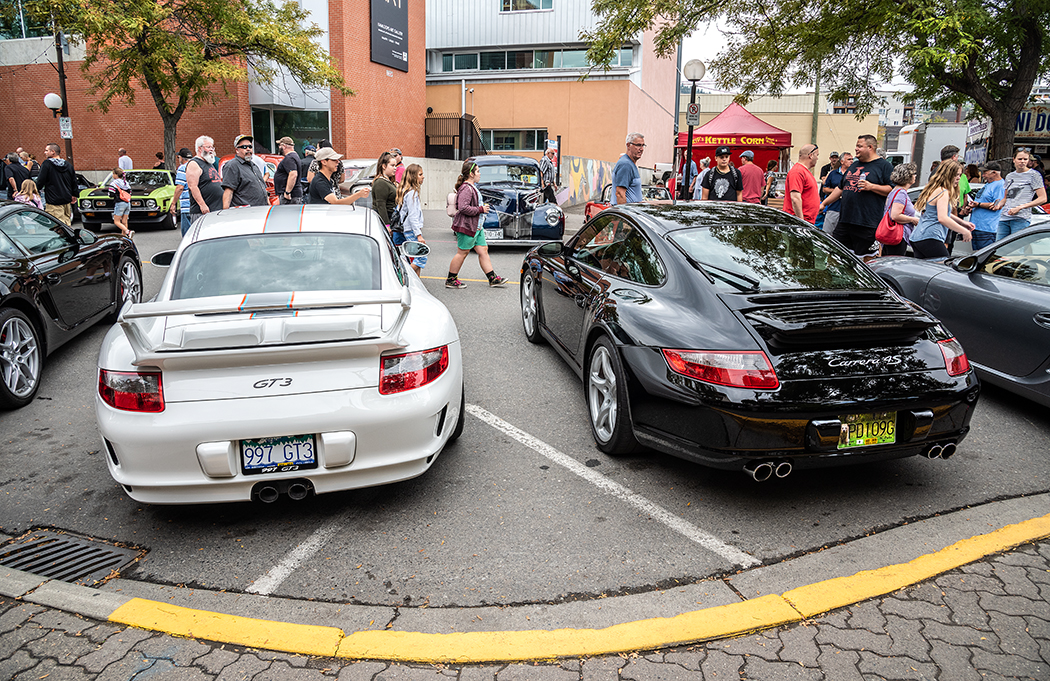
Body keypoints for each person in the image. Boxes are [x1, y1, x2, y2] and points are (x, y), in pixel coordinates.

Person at [820, 135, 895, 255]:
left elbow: (892, 189)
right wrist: (824, 204)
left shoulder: (884, 166)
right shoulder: (854, 165)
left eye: (859, 146)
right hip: (845, 221)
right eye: (856, 146)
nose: (856, 149)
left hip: (867, 224)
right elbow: (840, 188)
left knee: (867, 259)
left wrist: (871, 187)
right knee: (837, 256)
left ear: (870, 147)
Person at [446, 159, 507, 290]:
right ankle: (451, 279)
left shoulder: (472, 187)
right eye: (478, 171)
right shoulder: (466, 188)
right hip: (467, 226)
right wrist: (481, 209)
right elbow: (463, 207)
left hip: (477, 227)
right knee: (462, 252)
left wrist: (481, 208)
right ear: (471, 174)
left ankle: (492, 278)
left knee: (483, 251)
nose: (480, 174)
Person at [909, 161, 974, 259]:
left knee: (925, 271)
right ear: (947, 175)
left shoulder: (935, 189)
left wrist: (962, 223)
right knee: (943, 269)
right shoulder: (943, 192)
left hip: (918, 237)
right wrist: (964, 231)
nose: (958, 178)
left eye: (960, 175)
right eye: (956, 175)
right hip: (930, 236)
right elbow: (942, 218)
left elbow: (942, 212)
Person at [996, 148, 1047, 240]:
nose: (1022, 162)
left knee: (1016, 250)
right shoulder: (1010, 176)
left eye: (1025, 159)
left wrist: (1020, 207)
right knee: (998, 249)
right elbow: (1006, 198)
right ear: (1014, 159)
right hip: (1004, 217)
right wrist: (998, 204)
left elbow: (1043, 198)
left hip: (1021, 218)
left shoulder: (1034, 175)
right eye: (1020, 159)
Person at [879, 162, 920, 257]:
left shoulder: (895, 191)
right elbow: (895, 215)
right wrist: (913, 219)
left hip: (891, 234)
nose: (915, 176)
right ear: (908, 176)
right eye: (914, 173)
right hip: (897, 235)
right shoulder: (901, 193)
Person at [222, 134, 269, 208]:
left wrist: (268, 204)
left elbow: (262, 188)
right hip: (245, 213)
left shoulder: (254, 165)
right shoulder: (232, 165)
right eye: (244, 147)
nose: (248, 149)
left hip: (260, 210)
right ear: (237, 150)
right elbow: (228, 191)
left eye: (250, 147)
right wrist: (226, 212)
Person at [967, 161, 1004, 251]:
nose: (983, 175)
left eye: (985, 173)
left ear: (994, 173)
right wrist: (972, 207)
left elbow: (997, 205)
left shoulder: (1000, 185)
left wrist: (979, 205)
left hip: (987, 228)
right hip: (977, 226)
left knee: (984, 255)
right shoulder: (988, 184)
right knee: (977, 253)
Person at [35, 143, 77, 225]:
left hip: (53, 199)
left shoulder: (47, 164)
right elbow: (74, 180)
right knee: (66, 221)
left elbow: (41, 180)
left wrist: (35, 189)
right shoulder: (68, 165)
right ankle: (69, 236)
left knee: (57, 224)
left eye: (47, 150)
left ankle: (63, 237)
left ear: (53, 152)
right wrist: (74, 194)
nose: (45, 152)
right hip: (66, 198)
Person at [397, 163, 427, 275]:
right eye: (420, 174)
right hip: (411, 230)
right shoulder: (412, 193)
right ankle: (404, 276)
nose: (423, 176)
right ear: (413, 176)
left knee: (415, 257)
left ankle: (416, 284)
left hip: (408, 229)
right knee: (421, 257)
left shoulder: (406, 190)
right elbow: (413, 216)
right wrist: (418, 234)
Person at [185, 135, 224, 218]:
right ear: (200, 148)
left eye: (212, 147)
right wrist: (202, 205)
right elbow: (193, 186)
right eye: (208, 147)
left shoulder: (209, 163)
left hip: (215, 210)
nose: (211, 150)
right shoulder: (194, 163)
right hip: (202, 212)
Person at [783, 144, 820, 223]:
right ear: (811, 155)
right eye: (817, 155)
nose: (817, 158)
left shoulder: (804, 171)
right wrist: (801, 222)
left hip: (806, 222)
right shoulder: (797, 171)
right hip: (796, 223)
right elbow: (795, 198)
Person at [371, 151, 401, 242]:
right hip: (387, 219)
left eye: (395, 165)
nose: (395, 168)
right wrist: (387, 225)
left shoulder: (388, 181)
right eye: (392, 165)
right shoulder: (380, 182)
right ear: (384, 166)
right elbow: (381, 205)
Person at [820, 151, 852, 234]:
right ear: (842, 161)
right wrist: (837, 192)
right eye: (849, 159)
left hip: (848, 210)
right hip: (834, 208)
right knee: (827, 234)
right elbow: (825, 189)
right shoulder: (833, 174)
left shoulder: (854, 175)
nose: (851, 161)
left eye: (852, 159)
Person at [610, 133, 646, 205]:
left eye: (643, 145)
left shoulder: (630, 163)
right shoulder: (626, 164)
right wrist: (624, 215)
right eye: (638, 145)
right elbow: (620, 194)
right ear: (628, 145)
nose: (641, 149)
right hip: (627, 214)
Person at [169, 147, 195, 235]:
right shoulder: (196, 166)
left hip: (186, 206)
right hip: (195, 205)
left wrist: (173, 204)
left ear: (181, 158)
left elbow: (180, 187)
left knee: (187, 234)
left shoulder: (182, 168)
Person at [273, 137, 302, 205]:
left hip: (290, 196)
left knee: (286, 215)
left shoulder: (289, 158)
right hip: (293, 195)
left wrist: (287, 192)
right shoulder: (294, 156)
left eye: (280, 145)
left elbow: (293, 174)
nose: (279, 147)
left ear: (284, 146)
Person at [109, 167, 133, 239]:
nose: (112, 175)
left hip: (119, 203)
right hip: (127, 203)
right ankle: (124, 237)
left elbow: (111, 194)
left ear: (116, 175)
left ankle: (127, 232)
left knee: (116, 221)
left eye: (113, 173)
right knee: (124, 221)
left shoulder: (114, 183)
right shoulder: (126, 183)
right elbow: (130, 192)